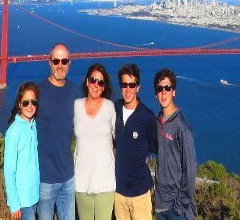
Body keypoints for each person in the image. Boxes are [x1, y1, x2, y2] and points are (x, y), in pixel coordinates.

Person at [36, 43, 78, 220]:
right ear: (49, 62)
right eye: (56, 61)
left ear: (70, 63)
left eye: (64, 61)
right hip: (45, 178)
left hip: (68, 177)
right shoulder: (38, 93)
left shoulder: (75, 92)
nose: (60, 65)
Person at [114, 63, 157, 220]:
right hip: (118, 193)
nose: (128, 89)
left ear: (138, 87)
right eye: (124, 84)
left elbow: (156, 148)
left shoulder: (147, 117)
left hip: (140, 194)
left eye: (132, 85)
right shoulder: (114, 109)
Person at [74, 63, 116, 220]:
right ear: (87, 82)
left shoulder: (110, 108)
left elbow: (120, 139)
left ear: (104, 87)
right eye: (93, 80)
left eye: (100, 82)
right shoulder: (76, 106)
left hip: (105, 182)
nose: (96, 85)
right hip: (81, 181)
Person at [153, 68, 197, 220]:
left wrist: (181, 205)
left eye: (167, 88)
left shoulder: (182, 127)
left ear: (174, 92)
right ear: (155, 94)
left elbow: (190, 169)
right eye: (160, 89)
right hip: (160, 205)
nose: (163, 92)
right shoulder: (157, 122)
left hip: (176, 209)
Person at [4, 82, 40, 220]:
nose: (30, 106)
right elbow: (9, 170)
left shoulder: (33, 125)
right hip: (23, 200)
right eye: (26, 102)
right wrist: (14, 204)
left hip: (35, 195)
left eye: (33, 102)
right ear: (19, 104)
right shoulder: (13, 132)